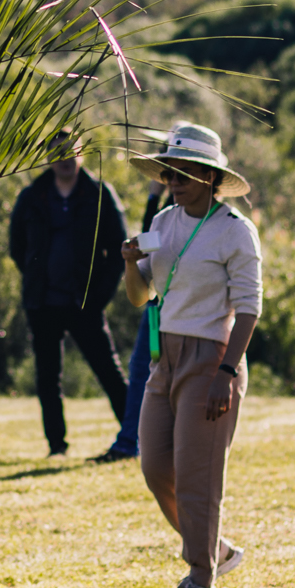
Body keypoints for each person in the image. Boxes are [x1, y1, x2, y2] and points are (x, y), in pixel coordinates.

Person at [118, 121, 262, 588]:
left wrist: (226, 371)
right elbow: (143, 297)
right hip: (166, 356)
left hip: (213, 357)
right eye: (168, 174)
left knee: (198, 473)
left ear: (209, 177)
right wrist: (128, 263)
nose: (171, 183)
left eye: (181, 175)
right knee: (156, 465)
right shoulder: (162, 224)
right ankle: (216, 550)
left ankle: (202, 576)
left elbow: (250, 308)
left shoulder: (235, 232)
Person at [7, 132, 128, 457]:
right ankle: (56, 446)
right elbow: (17, 247)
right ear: (47, 156)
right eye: (56, 152)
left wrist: (98, 296)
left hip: (84, 302)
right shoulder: (32, 196)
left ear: (82, 154)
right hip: (42, 302)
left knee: (109, 372)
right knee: (48, 378)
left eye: (69, 151)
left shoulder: (99, 194)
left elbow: (119, 251)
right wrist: (35, 278)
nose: (63, 158)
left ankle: (134, 436)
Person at [92, 173, 171, 463]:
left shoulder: (193, 210)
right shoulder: (167, 213)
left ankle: (135, 442)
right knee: (143, 366)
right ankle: (130, 441)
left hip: (171, 308)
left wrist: (154, 196)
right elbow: (148, 244)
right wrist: (154, 197)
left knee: (149, 369)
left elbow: (155, 242)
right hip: (154, 307)